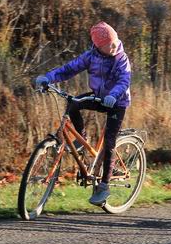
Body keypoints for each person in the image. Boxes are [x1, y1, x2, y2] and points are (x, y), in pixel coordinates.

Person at [34, 21, 132, 206]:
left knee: (109, 143)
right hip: (98, 97)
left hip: (117, 102)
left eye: (114, 42)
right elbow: (69, 69)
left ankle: (104, 186)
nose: (113, 46)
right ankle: (81, 138)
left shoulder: (121, 58)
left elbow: (124, 80)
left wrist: (113, 95)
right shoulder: (91, 56)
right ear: (98, 45)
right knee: (73, 105)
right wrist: (48, 77)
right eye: (108, 44)